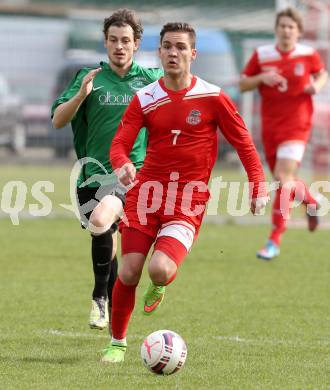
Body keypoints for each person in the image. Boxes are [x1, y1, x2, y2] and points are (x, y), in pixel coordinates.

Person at [101, 22, 268, 363]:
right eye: (167, 47)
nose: (172, 53)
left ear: (193, 54)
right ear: (159, 52)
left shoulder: (213, 97)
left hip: (186, 201)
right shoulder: (145, 98)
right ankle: (117, 343)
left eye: (180, 47)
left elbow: (245, 144)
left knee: (158, 270)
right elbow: (120, 144)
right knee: (129, 271)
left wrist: (258, 185)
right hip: (145, 196)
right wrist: (121, 164)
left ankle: (160, 284)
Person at [51, 9, 162, 331]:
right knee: (105, 235)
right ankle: (113, 306)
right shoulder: (90, 77)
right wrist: (81, 97)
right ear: (105, 42)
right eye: (113, 40)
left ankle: (100, 296)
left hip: (132, 174)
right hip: (91, 175)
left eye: (126, 40)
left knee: (102, 221)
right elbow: (59, 120)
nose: (119, 46)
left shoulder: (150, 80)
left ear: (137, 44)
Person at [240, 7, 328, 260]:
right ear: (276, 29)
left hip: (297, 125)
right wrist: (262, 78)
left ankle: (273, 241)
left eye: (291, 26)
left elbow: (322, 74)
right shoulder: (262, 55)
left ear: (299, 31)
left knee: (282, 177)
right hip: (270, 127)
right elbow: (244, 83)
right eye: (283, 26)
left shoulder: (308, 55)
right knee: (283, 180)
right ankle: (312, 203)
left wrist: (316, 86)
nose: (286, 30)